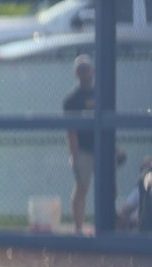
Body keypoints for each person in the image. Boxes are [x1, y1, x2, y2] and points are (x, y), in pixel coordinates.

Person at [64, 54, 95, 235]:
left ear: (92, 71)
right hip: (83, 150)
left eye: (87, 69)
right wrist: (74, 155)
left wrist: (113, 148)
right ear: (76, 74)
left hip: (101, 148)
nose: (84, 73)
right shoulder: (72, 100)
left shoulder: (102, 94)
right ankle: (78, 229)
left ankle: (109, 227)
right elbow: (71, 131)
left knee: (110, 189)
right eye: (81, 70)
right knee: (82, 188)